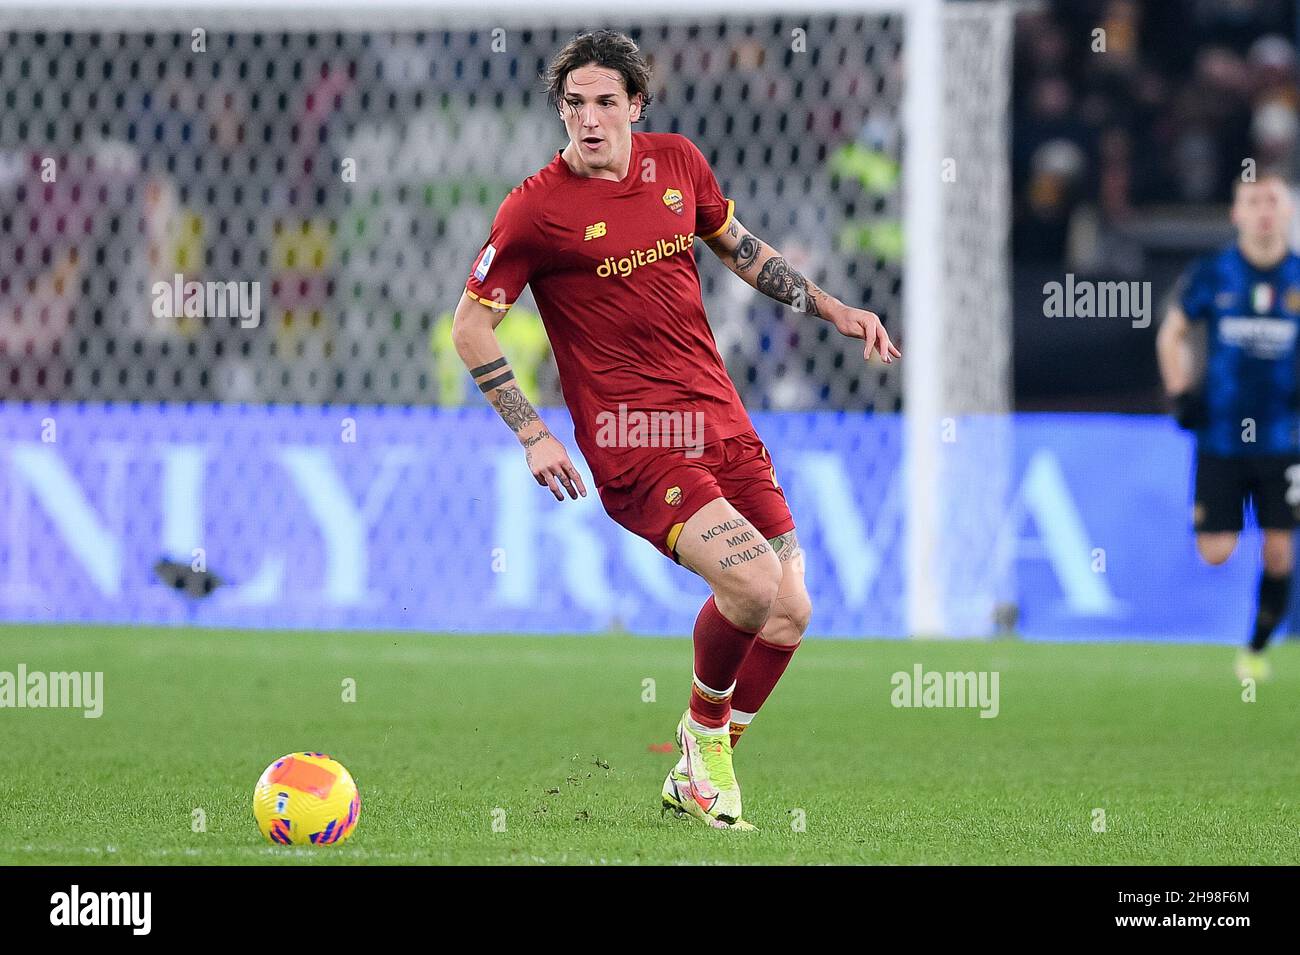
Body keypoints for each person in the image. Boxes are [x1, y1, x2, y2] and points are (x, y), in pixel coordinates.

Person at [452, 30, 898, 829]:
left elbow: (741, 249)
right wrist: (530, 430)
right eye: (574, 104)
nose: (588, 120)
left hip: (720, 417)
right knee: (754, 583)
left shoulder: (679, 165)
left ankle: (697, 753)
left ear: (636, 105)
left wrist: (834, 308)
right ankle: (704, 754)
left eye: (605, 103)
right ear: (561, 109)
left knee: (791, 610)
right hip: (633, 439)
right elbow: (470, 327)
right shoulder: (535, 209)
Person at [1157, 172, 1300, 681]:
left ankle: (1256, 648)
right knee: (1216, 551)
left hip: (1286, 440)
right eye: (1252, 201)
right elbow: (1173, 332)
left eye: (1272, 201)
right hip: (1221, 435)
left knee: (1280, 548)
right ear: (1236, 214)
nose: (1263, 210)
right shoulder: (1214, 273)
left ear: (1286, 212)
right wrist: (1179, 391)